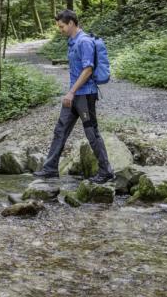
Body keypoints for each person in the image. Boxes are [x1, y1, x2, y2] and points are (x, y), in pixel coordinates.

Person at [33, 10, 115, 183]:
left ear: (71, 23)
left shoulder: (84, 42)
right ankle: (50, 169)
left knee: (92, 133)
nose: (60, 29)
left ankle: (106, 171)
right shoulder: (72, 41)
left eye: (62, 26)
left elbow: (88, 69)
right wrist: (71, 92)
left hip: (85, 96)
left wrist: (71, 92)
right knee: (60, 130)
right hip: (74, 95)